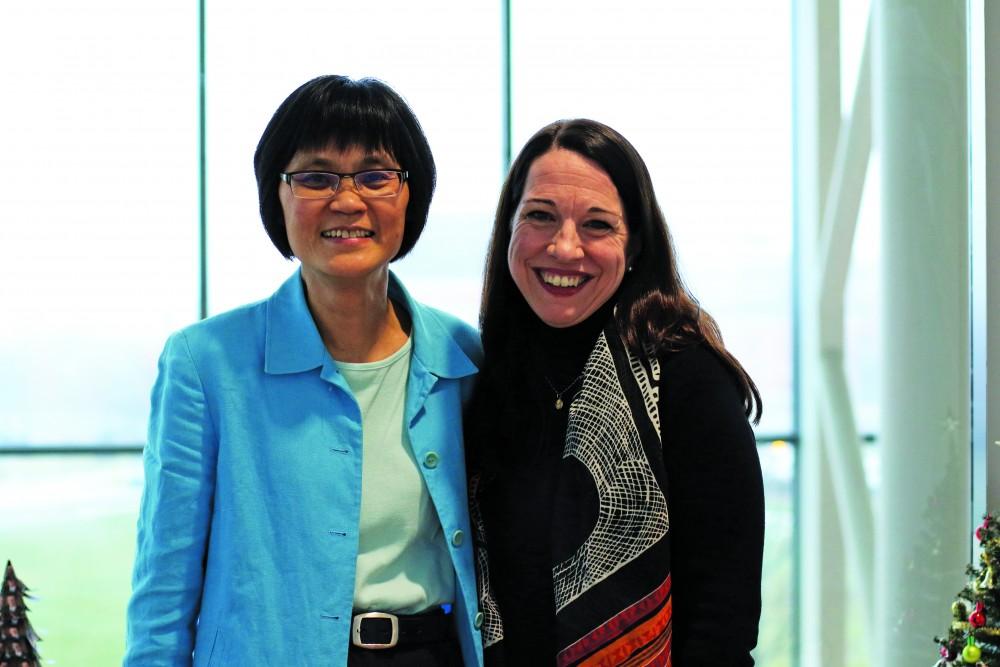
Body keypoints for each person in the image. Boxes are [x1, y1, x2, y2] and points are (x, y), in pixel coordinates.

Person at [124, 76, 483, 667]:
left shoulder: (464, 359)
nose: (347, 201)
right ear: (279, 196)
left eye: (375, 176)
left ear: (409, 196)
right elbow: (165, 588)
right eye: (316, 177)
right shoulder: (206, 363)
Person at [466, 119, 764, 666]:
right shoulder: (483, 379)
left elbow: (724, 617)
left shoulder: (687, 378)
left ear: (635, 246)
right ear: (508, 228)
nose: (564, 246)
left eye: (597, 225)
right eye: (540, 216)